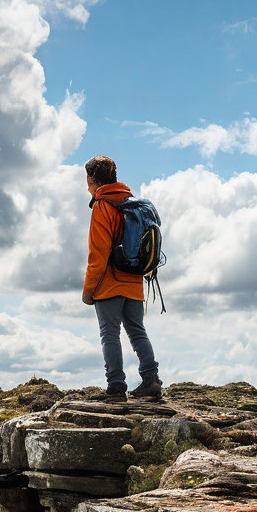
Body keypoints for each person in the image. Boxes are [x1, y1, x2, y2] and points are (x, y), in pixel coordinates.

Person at [82, 155, 162, 403]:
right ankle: (151, 379)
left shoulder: (102, 207)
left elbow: (98, 255)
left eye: (87, 179)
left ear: (93, 179)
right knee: (137, 331)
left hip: (108, 284)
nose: (86, 185)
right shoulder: (132, 203)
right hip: (135, 281)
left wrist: (88, 290)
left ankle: (116, 385)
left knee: (109, 334)